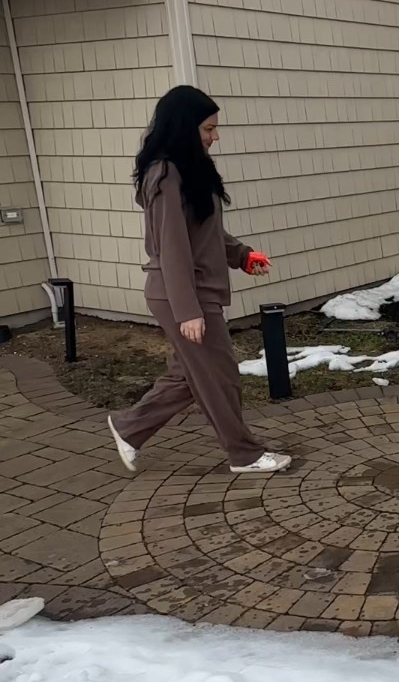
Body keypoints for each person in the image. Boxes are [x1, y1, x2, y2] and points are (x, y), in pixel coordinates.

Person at [107, 86, 291, 476]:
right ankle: (244, 454)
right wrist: (188, 310)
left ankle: (129, 427)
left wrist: (242, 255)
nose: (215, 136)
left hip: (191, 290)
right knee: (219, 377)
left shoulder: (189, 168)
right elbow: (173, 246)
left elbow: (204, 232)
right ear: (184, 127)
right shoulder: (166, 175)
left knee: (188, 377)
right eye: (208, 128)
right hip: (183, 293)